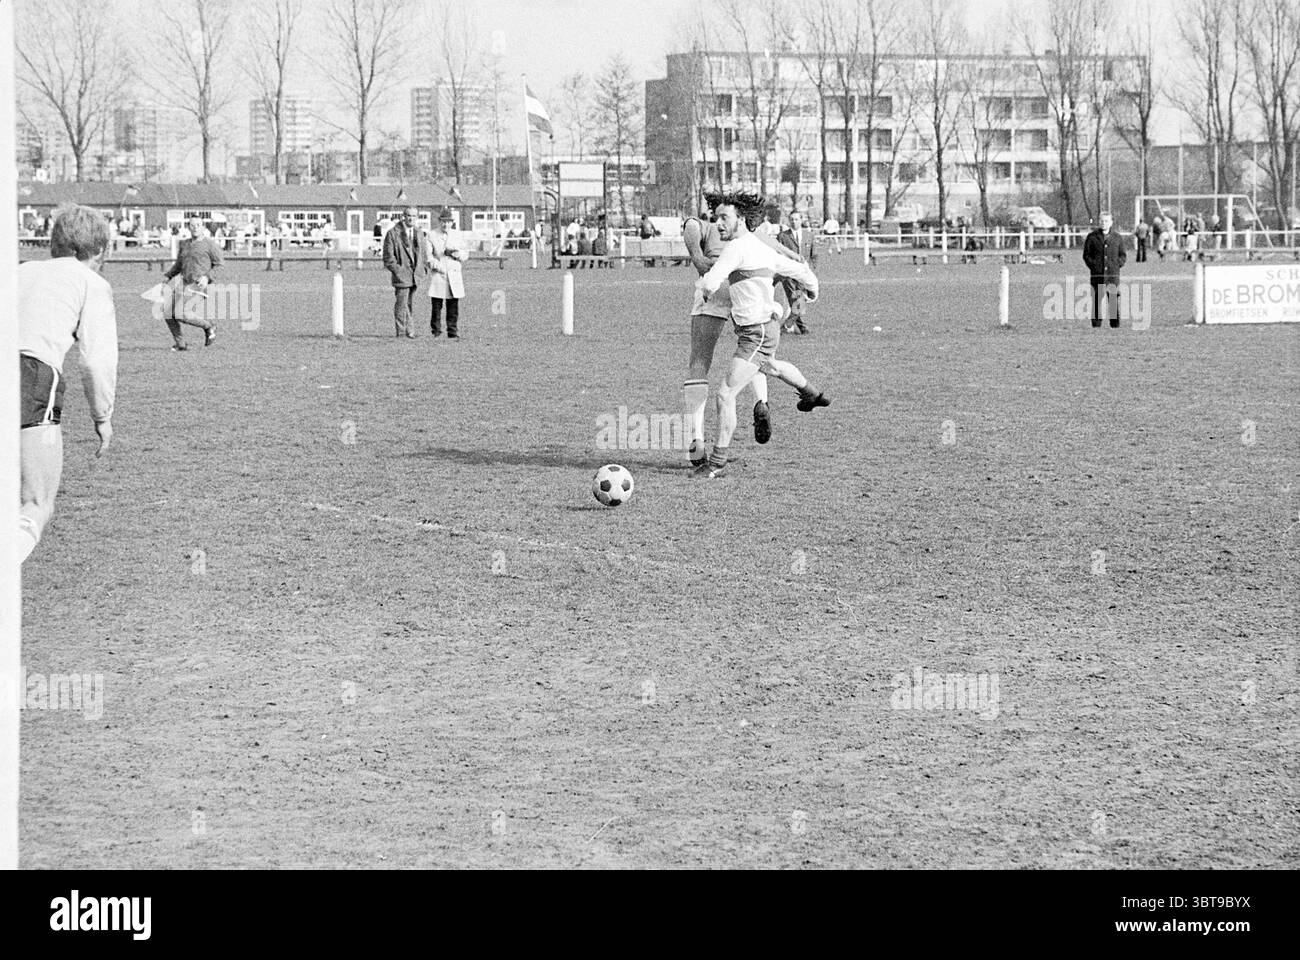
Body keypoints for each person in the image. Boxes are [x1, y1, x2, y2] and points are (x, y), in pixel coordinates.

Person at [694, 192, 829, 479]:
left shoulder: (736, 248)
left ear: (740, 219)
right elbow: (799, 270)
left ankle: (715, 464)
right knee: (770, 367)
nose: (718, 224)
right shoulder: (760, 248)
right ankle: (813, 394)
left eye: (724, 218)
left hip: (756, 334)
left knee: (725, 394)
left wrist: (706, 284)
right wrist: (813, 289)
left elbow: (713, 280)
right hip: (761, 331)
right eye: (716, 218)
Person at [16, 204, 117, 563]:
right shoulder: (92, 283)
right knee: (35, 503)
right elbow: (96, 361)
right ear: (101, 250)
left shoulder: (20, 270)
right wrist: (102, 417)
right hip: (30, 375)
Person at [682, 195, 776, 467]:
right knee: (753, 353)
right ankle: (761, 402)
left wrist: (698, 257)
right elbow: (780, 252)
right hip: (744, 284)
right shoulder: (753, 233)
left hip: (715, 281)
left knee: (699, 361)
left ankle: (696, 439)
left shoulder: (710, 226)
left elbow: (690, 225)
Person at [161, 217, 223, 350]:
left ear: (203, 227)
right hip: (184, 283)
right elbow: (179, 264)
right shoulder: (184, 244)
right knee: (167, 312)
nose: (195, 227)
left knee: (180, 313)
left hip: (199, 285)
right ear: (189, 227)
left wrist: (207, 277)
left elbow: (219, 265)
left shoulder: (209, 244)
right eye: (192, 225)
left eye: (198, 225)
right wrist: (168, 276)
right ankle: (181, 344)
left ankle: (209, 326)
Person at [382, 206, 428, 338]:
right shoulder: (393, 233)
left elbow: (423, 253)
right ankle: (402, 332)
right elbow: (388, 257)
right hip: (401, 275)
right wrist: (398, 271)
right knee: (401, 304)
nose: (411, 218)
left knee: (408, 304)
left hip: (415, 276)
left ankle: (409, 331)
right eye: (409, 215)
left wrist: (423, 269)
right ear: (403, 216)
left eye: (414, 216)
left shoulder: (419, 232)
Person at [426, 207, 466, 339]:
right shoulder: (432, 235)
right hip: (439, 273)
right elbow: (429, 256)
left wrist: (457, 254)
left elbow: (466, 254)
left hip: (454, 273)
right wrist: (437, 266)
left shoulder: (458, 235)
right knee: (437, 305)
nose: (446, 224)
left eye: (448, 221)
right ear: (439, 221)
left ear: (452, 222)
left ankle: (452, 331)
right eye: (443, 221)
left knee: (453, 305)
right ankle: (436, 331)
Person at [1082, 211, 1126, 329]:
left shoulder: (1117, 238)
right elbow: (1086, 255)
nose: (1103, 223)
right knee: (1096, 299)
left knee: (1112, 300)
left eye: (1106, 221)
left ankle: (1114, 324)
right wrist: (1094, 266)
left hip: (1112, 276)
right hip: (1097, 275)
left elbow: (1122, 255)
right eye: (1101, 221)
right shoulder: (1092, 237)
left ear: (1111, 222)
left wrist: (1117, 265)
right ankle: (1096, 324)